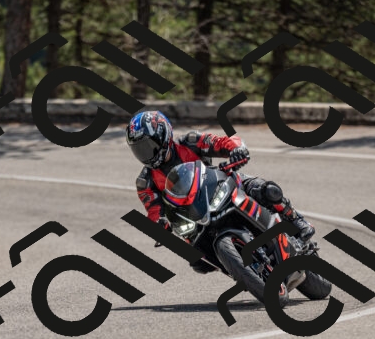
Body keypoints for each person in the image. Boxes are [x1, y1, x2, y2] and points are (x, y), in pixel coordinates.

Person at [126, 110, 314, 272]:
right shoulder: (145, 182)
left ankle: (296, 220)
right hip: (194, 217)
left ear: (164, 136)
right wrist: (159, 225)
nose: (145, 153)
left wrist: (236, 149)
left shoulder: (190, 142)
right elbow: (154, 210)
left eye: (148, 146)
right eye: (139, 149)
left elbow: (219, 142)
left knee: (264, 189)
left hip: (218, 187)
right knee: (197, 262)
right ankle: (240, 270)